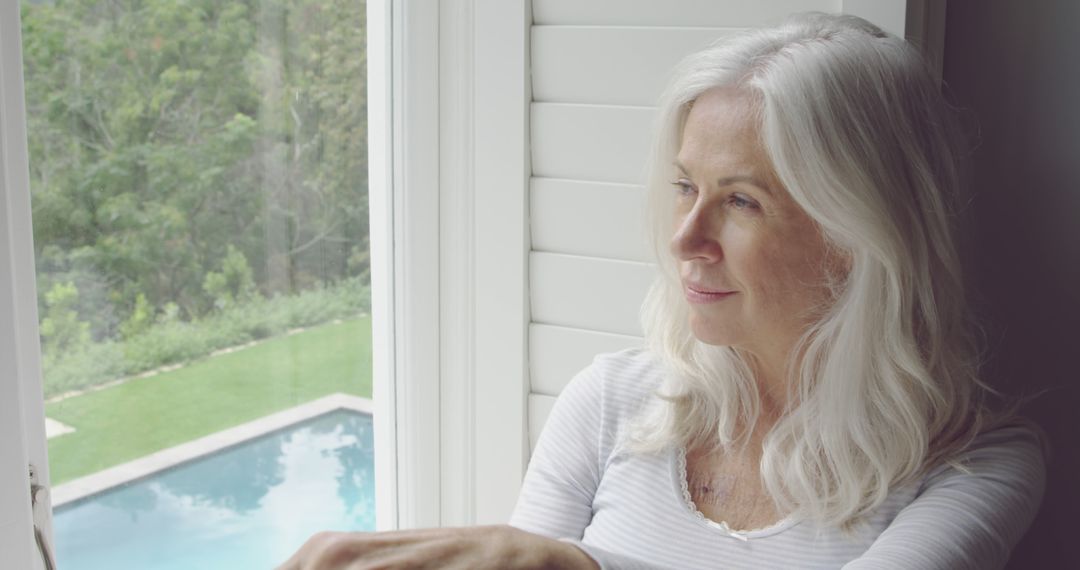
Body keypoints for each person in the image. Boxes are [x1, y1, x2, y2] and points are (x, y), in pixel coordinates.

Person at [278, 12, 1046, 570]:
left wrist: (576, 566)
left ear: (859, 233)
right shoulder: (612, 402)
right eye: (685, 187)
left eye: (741, 200)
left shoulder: (974, 466)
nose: (685, 238)